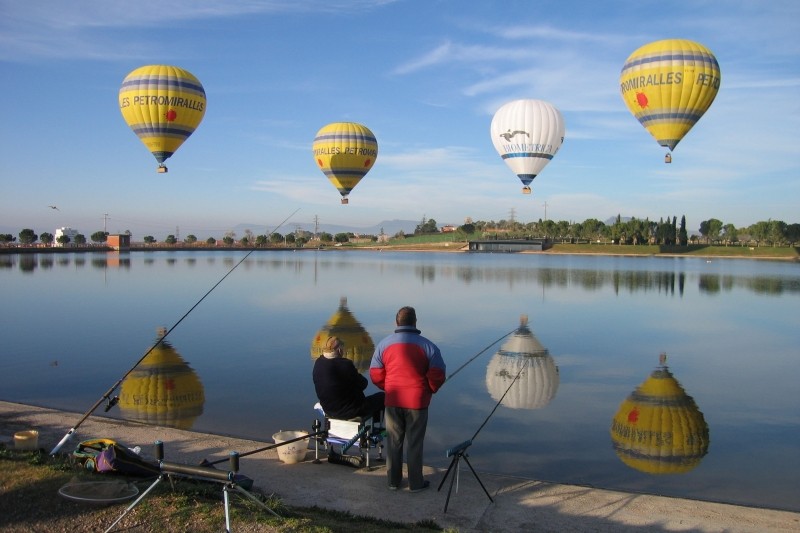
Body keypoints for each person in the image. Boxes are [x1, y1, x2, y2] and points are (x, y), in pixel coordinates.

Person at [370, 306, 446, 493]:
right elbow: (438, 374)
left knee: (394, 442)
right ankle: (415, 483)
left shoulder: (383, 345)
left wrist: (387, 388)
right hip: (417, 403)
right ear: (415, 322)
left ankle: (393, 482)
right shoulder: (428, 346)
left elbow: (375, 373)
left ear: (397, 322)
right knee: (414, 444)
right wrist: (429, 389)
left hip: (393, 400)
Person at [313, 336, 385, 423]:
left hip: (329, 410)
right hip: (350, 411)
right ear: (339, 350)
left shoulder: (318, 363)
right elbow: (363, 384)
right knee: (382, 397)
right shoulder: (345, 364)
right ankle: (375, 428)